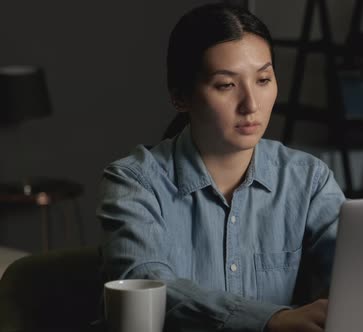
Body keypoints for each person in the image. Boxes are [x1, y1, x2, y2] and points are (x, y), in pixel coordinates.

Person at [97, 4, 345, 332]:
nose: (251, 105)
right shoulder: (133, 181)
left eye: (263, 79)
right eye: (226, 85)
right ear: (180, 96)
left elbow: (358, 273)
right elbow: (147, 289)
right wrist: (272, 321)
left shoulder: (308, 179)